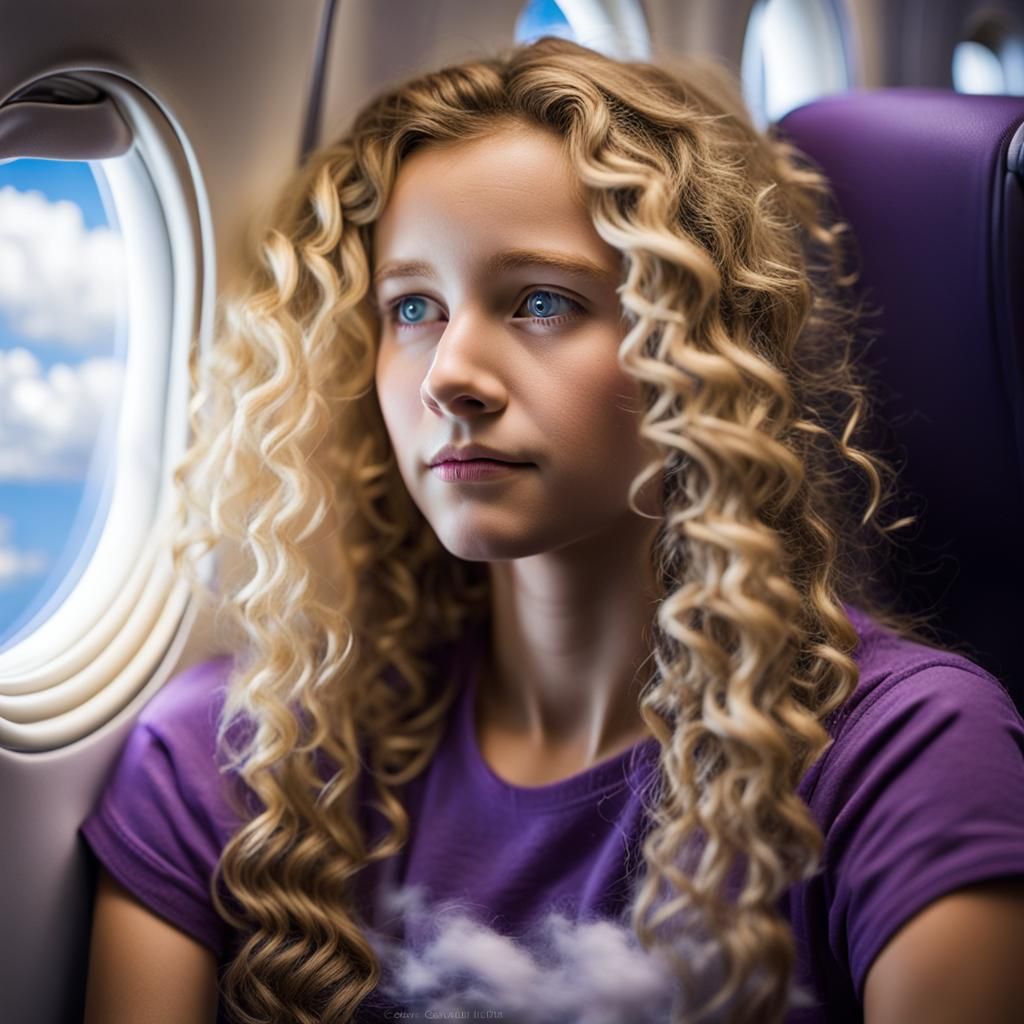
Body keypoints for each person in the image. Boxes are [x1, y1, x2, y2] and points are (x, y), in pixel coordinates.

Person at [79, 36, 1024, 1024]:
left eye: (539, 301)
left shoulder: (906, 751)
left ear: (695, 350)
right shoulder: (237, 760)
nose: (449, 373)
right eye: (412, 307)